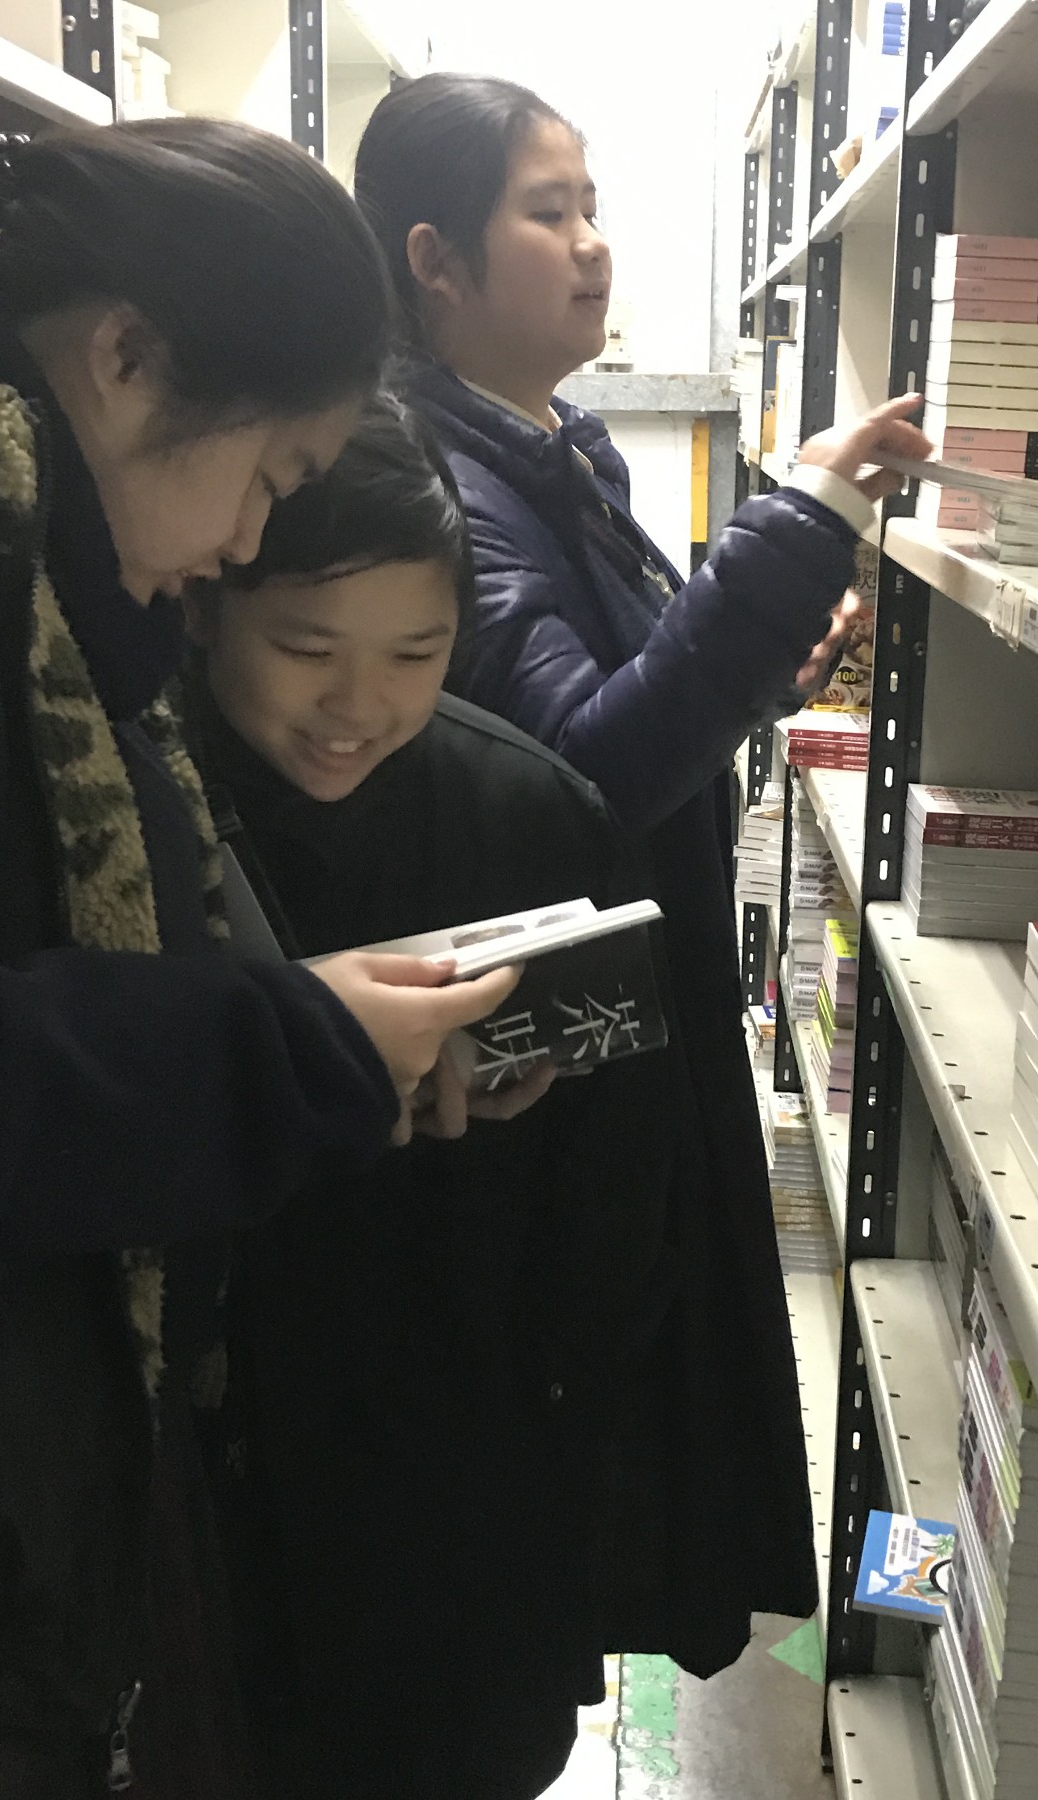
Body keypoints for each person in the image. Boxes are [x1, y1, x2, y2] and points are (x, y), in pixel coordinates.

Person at [0, 122, 518, 1800]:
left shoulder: (44, 578)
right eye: (270, 472)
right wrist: (292, 1041)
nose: (256, 542)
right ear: (125, 359)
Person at [353, 73, 933, 1671]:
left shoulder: (547, 449)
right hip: (547, 1076)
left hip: (618, 1036)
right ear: (434, 260)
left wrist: (757, 664)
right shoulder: (439, 483)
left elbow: (627, 695)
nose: (594, 245)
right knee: (564, 1471)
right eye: (549, 212)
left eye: (592, 206)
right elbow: (585, 778)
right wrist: (805, 514)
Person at [182, 392, 682, 1799]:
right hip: (220, 1454)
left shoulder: (529, 813)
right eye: (305, 649)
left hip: (461, 1444)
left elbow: (623, 1191)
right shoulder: (142, 806)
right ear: (206, 605)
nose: (359, 707)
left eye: (417, 652)